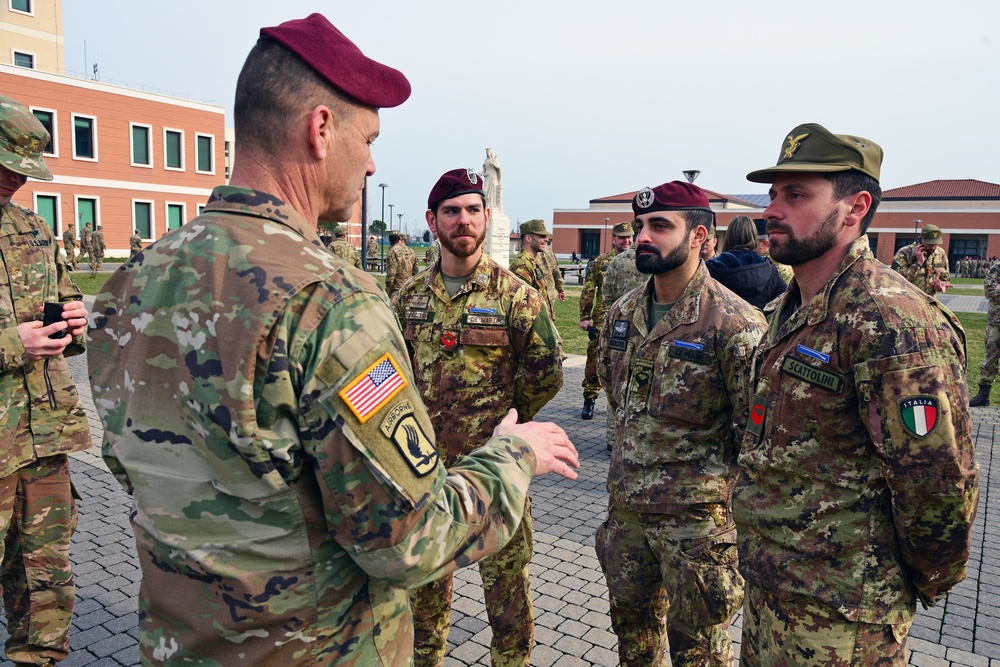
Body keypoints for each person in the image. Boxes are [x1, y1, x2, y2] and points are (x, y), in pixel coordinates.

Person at [86, 15, 579, 666]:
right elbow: (404, 541)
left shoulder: (130, 285)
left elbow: (128, 467)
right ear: (321, 129)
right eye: (368, 137)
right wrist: (513, 455)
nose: (372, 163)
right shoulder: (330, 303)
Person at [733, 123, 979, 666]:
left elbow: (937, 483)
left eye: (796, 195)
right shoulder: (786, 310)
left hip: (846, 617)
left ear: (854, 207)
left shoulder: (892, 322)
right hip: (773, 593)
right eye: (773, 194)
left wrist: (910, 585)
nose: (771, 210)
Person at [394, 168, 563, 667]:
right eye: (451, 211)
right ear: (432, 220)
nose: (463, 220)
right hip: (423, 476)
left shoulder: (516, 298)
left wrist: (506, 425)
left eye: (472, 209)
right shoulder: (407, 300)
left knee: (508, 606)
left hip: (496, 476)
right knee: (421, 609)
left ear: (488, 218)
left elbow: (547, 373)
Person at [596, 182, 766, 666]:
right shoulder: (622, 313)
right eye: (639, 226)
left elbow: (752, 436)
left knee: (700, 654)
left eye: (660, 226)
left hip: (695, 529)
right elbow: (616, 397)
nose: (643, 237)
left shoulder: (735, 324)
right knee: (634, 642)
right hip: (626, 514)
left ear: (699, 237)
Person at [0, 93, 92, 666]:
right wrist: (13, 343)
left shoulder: (32, 228)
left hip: (45, 435)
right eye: (9, 166)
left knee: (46, 580)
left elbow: (64, 297)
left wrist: (76, 320)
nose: (17, 181)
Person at [579, 221, 632, 420]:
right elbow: (588, 289)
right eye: (621, 237)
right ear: (613, 239)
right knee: (596, 358)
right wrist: (585, 316)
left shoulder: (637, 261)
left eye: (628, 237)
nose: (626, 241)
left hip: (629, 320)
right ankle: (590, 397)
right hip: (602, 319)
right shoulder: (600, 262)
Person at [706, 215, 786, 310]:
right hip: (757, 323)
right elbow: (785, 300)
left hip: (719, 323)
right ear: (754, 237)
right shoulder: (770, 270)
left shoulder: (711, 268)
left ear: (729, 236)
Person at [509, 219, 554, 318]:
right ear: (528, 238)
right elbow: (521, 305)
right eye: (542, 236)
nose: (546, 239)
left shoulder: (532, 263)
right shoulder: (522, 265)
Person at [891, 224, 953, 296]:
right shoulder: (904, 253)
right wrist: (918, 263)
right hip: (908, 300)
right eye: (930, 243)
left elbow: (945, 277)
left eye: (935, 244)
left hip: (929, 300)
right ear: (921, 239)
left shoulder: (940, 253)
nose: (933, 247)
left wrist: (941, 285)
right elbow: (896, 280)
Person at [971, 257, 1000, 406]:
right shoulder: (997, 267)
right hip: (996, 322)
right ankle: (984, 395)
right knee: (990, 358)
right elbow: (989, 290)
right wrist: (996, 289)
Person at [753, 218, 793, 284]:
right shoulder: (783, 263)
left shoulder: (764, 266)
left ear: (765, 244)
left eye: (753, 244)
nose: (751, 248)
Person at [385, 229, 418, 299]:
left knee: (393, 309)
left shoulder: (392, 252)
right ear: (399, 239)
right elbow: (416, 270)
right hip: (408, 288)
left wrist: (387, 289)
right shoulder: (410, 250)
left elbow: (391, 273)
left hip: (396, 290)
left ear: (390, 240)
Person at [539, 238, 566, 314]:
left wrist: (561, 290)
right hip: (536, 300)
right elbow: (557, 273)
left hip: (548, 298)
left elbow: (556, 271)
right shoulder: (528, 257)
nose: (546, 240)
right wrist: (561, 289)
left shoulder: (548, 253)